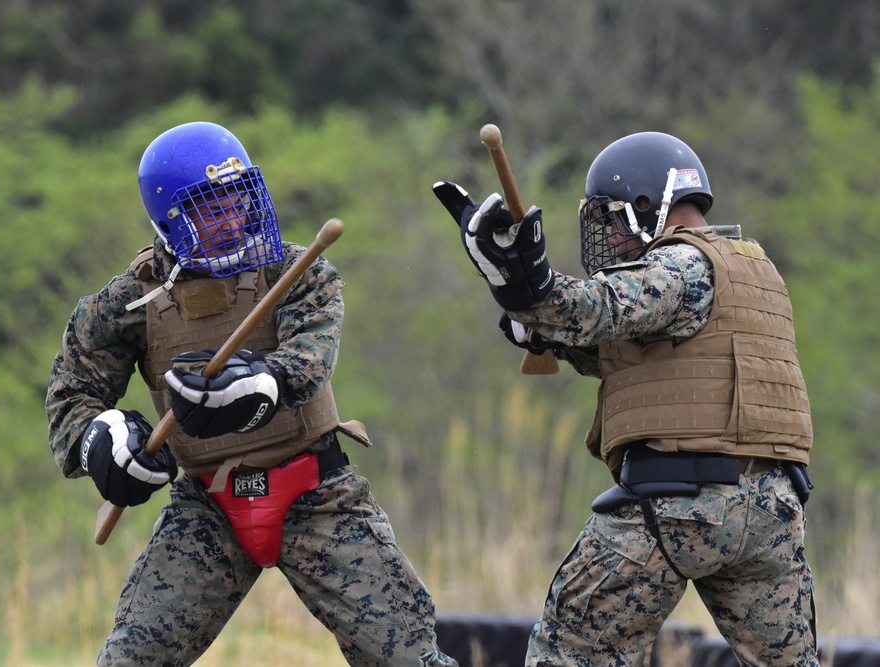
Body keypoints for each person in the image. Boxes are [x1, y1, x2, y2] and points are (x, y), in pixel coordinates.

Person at [46, 121, 457, 667]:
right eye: (210, 207)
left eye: (238, 199)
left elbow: (308, 361)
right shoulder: (122, 305)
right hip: (206, 506)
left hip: (317, 493)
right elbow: (71, 398)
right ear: (169, 218)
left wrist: (258, 384)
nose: (233, 218)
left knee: (409, 660)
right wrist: (103, 440)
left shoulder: (298, 271)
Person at [433, 131, 817, 666]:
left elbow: (603, 307)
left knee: (570, 650)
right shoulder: (755, 272)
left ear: (645, 206)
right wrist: (545, 331)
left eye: (612, 221)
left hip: (684, 501)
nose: (611, 239)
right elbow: (639, 349)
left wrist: (526, 283)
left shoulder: (680, 265)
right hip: (774, 513)